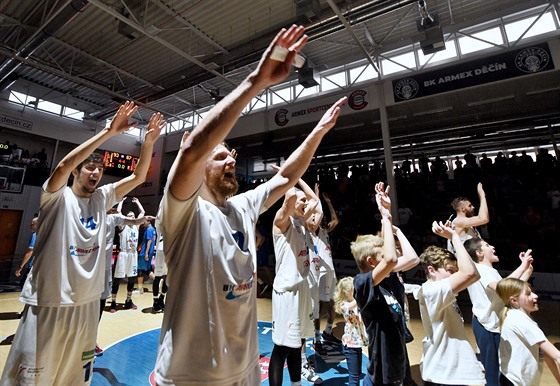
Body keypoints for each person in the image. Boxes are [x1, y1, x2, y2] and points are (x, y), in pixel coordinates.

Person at [154, 24, 347, 386]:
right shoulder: (183, 211)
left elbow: (286, 176)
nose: (231, 160)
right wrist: (257, 81)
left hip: (243, 372)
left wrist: (318, 132)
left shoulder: (242, 206)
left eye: (233, 155)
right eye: (222, 155)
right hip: (192, 375)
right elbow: (194, 149)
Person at [0, 101, 164, 386]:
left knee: (73, 378)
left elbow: (139, 177)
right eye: (89, 167)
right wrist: (108, 132)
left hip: (86, 304)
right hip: (50, 302)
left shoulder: (102, 198)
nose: (95, 173)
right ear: (77, 171)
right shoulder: (55, 196)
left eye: (98, 169)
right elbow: (63, 164)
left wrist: (149, 143)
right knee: (31, 379)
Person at [350, 182, 408, 386]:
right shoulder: (362, 283)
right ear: (372, 262)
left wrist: (387, 212)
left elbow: (401, 257)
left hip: (396, 367)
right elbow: (391, 259)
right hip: (380, 375)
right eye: (381, 256)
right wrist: (383, 218)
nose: (389, 257)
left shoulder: (387, 280)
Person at [417, 221, 485, 386]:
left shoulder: (434, 290)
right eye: (450, 271)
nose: (455, 275)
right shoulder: (432, 291)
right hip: (445, 376)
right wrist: (455, 237)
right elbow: (470, 273)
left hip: (446, 373)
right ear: (431, 270)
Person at [269, 181, 321, 386]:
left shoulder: (300, 221)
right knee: (281, 347)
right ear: (290, 202)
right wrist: (291, 181)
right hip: (287, 292)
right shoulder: (282, 222)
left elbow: (315, 201)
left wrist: (300, 182)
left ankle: (296, 384)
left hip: (302, 289)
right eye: (302, 201)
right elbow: (289, 200)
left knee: (297, 342)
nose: (306, 204)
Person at [464, 237, 534, 386]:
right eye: (487, 245)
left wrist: (526, 272)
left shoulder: (490, 270)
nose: (493, 247)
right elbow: (501, 288)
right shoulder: (480, 269)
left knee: (501, 369)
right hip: (487, 326)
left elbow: (509, 292)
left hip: (494, 326)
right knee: (493, 373)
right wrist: (522, 267)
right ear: (479, 252)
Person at [496, 278, 560, 385]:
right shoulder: (520, 320)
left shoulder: (519, 317)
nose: (535, 296)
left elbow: (546, 354)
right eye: (528, 294)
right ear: (514, 301)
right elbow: (557, 356)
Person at [110, 197, 145, 311]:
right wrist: (121, 202)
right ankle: (113, 302)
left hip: (133, 254)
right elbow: (119, 212)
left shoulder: (136, 226)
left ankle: (128, 300)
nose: (131, 217)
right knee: (118, 279)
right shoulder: (123, 225)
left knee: (131, 279)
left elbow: (142, 213)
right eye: (129, 216)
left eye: (133, 216)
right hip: (123, 254)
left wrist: (138, 202)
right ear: (126, 218)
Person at [333, 276, 368, 386]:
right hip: (350, 345)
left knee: (357, 373)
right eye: (355, 290)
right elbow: (354, 304)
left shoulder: (355, 303)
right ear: (347, 293)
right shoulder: (344, 306)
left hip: (357, 344)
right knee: (353, 376)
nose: (358, 291)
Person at [447, 182, 489, 253]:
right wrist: (482, 196)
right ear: (462, 209)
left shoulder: (468, 224)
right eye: (469, 206)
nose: (473, 207)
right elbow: (483, 219)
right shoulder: (458, 222)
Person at [14, 217, 38, 289]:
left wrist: (20, 267)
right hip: (41, 265)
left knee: (24, 285)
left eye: (32, 224)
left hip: (33, 266)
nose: (30, 225)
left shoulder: (35, 235)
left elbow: (30, 252)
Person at [137, 217, 156, 294]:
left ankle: (140, 289)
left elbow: (149, 241)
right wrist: (140, 245)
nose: (143, 223)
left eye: (144, 221)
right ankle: (157, 280)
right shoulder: (153, 229)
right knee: (147, 270)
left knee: (140, 270)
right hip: (150, 252)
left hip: (144, 252)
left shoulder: (148, 230)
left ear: (148, 221)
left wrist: (146, 253)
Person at [152, 219, 167, 313]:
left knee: (167, 277)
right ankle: (155, 301)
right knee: (157, 277)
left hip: (170, 252)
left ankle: (162, 297)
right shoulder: (160, 225)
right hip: (161, 252)